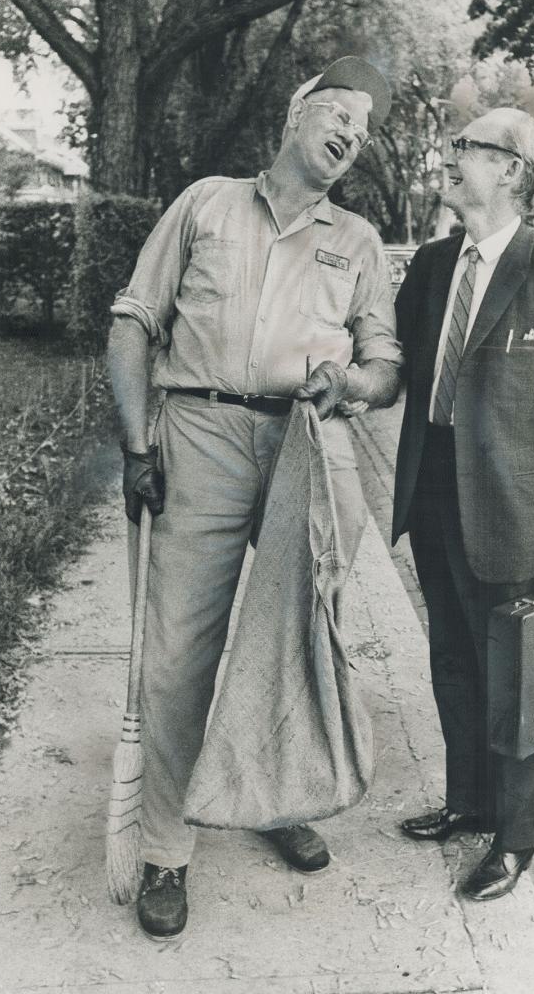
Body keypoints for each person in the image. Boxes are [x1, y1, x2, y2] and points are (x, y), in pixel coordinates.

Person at [106, 57, 403, 939]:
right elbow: (133, 321)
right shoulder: (204, 204)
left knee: (296, 646)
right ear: (296, 111)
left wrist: (348, 381)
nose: (352, 131)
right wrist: (135, 444)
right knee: (176, 653)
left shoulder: (357, 240)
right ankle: (165, 848)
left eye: (365, 126)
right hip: (199, 437)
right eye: (339, 111)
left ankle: (279, 797)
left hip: (307, 453)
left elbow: (386, 367)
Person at [392, 107, 534, 900]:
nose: (449, 159)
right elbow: (397, 365)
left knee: (515, 677)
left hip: (512, 509)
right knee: (451, 659)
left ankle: (517, 838)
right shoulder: (431, 264)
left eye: (466, 148)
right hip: (432, 490)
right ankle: (468, 802)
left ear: (511, 169)